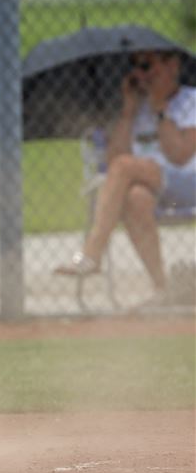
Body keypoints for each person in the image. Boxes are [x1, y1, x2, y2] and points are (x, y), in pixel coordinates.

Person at [56, 50, 196, 304]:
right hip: (155, 188)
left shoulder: (191, 100)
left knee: (124, 167)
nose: (140, 74)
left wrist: (161, 111)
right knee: (135, 198)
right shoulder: (137, 108)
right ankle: (163, 290)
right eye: (135, 67)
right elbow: (113, 162)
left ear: (172, 65)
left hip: (189, 182)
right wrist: (129, 112)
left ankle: (92, 253)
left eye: (147, 65)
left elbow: (181, 155)